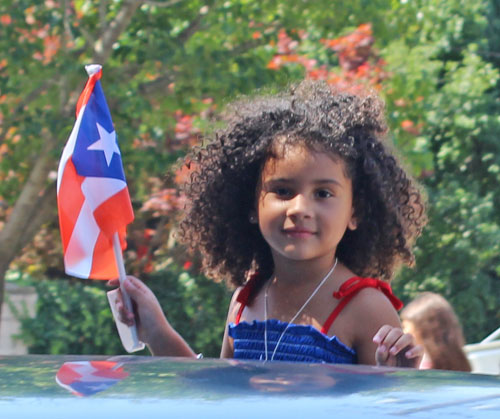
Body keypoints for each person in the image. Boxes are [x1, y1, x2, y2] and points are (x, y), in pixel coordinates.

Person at [111, 80, 427, 366]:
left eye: (323, 193)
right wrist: (157, 332)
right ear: (251, 205)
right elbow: (218, 401)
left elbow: (389, 408)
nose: (300, 207)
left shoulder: (366, 307)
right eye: (283, 191)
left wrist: (397, 380)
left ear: (355, 212)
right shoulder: (244, 300)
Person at [401, 292, 472, 371]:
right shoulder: (460, 367)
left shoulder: (421, 371)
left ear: (424, 331)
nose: (403, 332)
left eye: (405, 327)